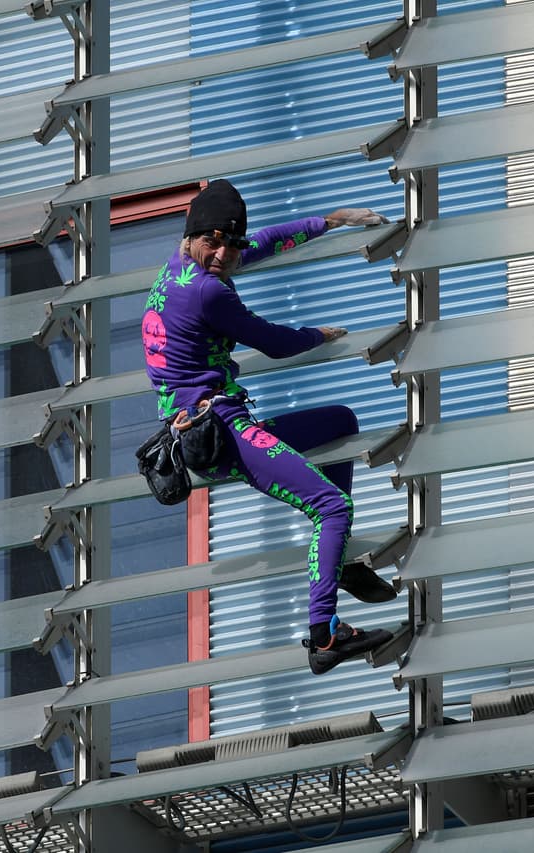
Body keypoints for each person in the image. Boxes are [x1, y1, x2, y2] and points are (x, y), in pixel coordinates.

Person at [142, 179, 394, 675]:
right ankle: (324, 636)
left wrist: (330, 220)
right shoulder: (206, 292)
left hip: (218, 424)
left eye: (230, 244)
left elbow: (261, 242)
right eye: (213, 242)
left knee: (341, 423)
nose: (223, 254)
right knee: (332, 506)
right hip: (219, 435)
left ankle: (336, 562)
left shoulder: (181, 265)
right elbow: (275, 344)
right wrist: (317, 335)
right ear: (193, 236)